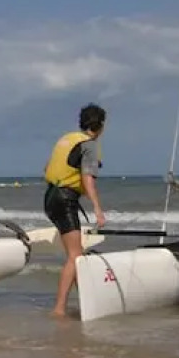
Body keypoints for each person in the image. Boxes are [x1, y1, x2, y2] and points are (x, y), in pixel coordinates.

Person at [44, 103, 107, 318]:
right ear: (100, 126)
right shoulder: (89, 146)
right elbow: (87, 179)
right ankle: (59, 309)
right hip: (65, 199)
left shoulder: (66, 139)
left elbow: (47, 168)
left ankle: (87, 302)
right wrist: (98, 208)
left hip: (51, 197)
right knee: (75, 255)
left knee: (76, 253)